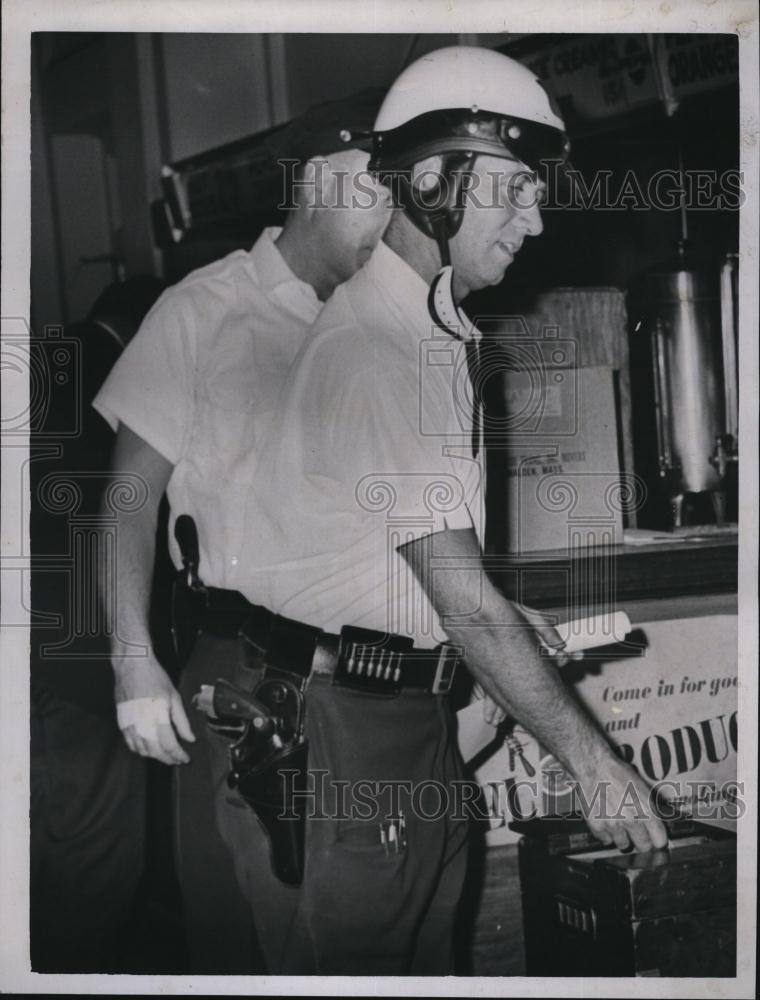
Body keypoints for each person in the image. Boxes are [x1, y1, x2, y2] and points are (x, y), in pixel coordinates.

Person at [178, 45, 665, 975]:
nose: (538, 217)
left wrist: (483, 613)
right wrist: (594, 763)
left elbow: (410, 561)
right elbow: (463, 603)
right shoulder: (377, 351)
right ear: (436, 182)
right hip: (339, 739)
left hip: (400, 730)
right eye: (515, 190)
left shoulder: (426, 332)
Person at [93, 110, 392, 972]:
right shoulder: (204, 310)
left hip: (363, 681)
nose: (387, 223)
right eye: (369, 195)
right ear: (311, 188)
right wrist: (131, 662)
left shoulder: (386, 325)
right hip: (240, 671)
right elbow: (128, 495)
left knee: (354, 936)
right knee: (243, 935)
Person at [30, 275, 167, 972]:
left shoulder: (42, 364)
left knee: (41, 851)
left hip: (29, 663)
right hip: (81, 668)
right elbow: (115, 522)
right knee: (97, 861)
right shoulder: (105, 393)